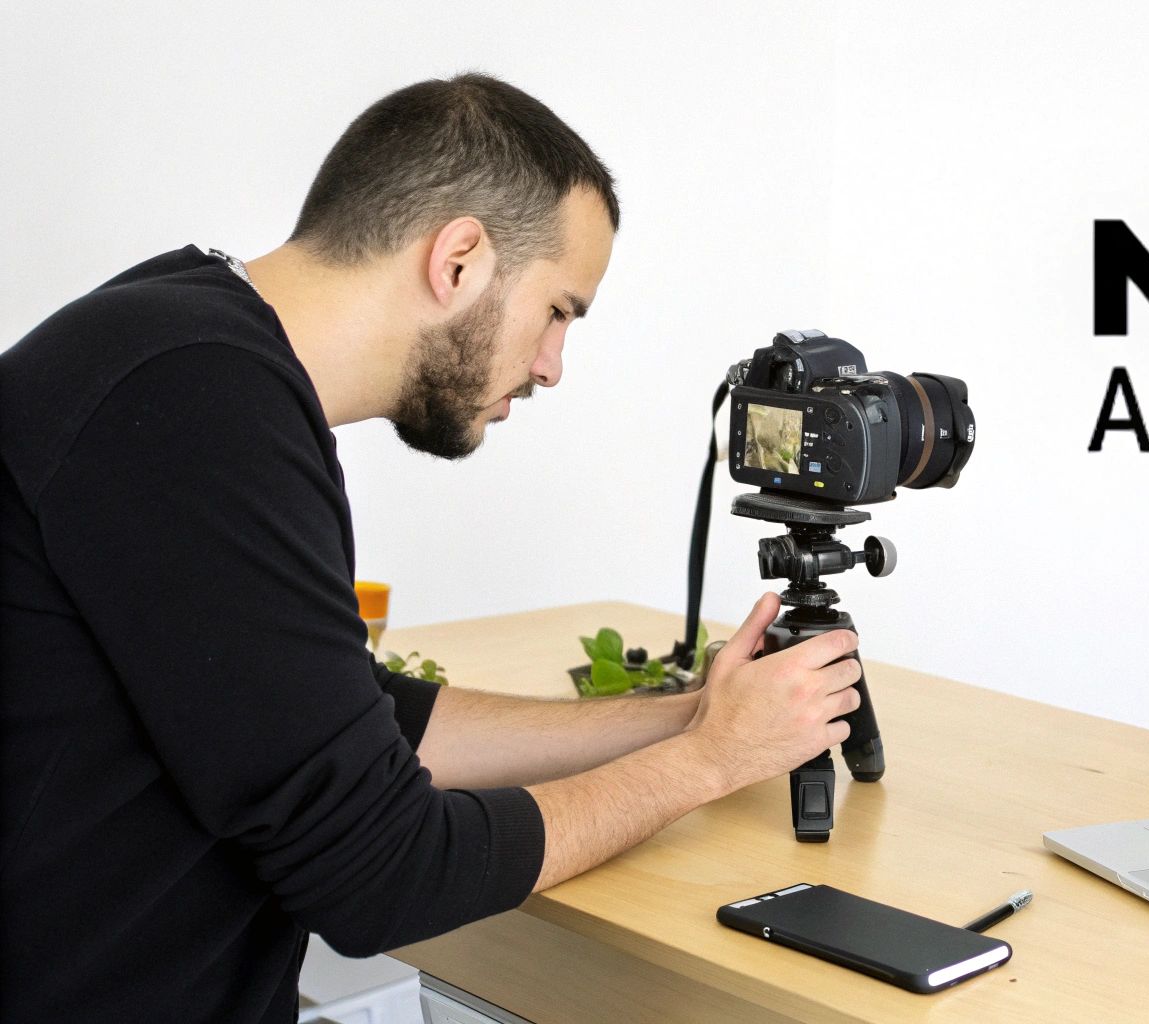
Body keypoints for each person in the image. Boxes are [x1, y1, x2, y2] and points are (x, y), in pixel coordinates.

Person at [0, 73, 861, 1022]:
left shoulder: (185, 344)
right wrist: (702, 770)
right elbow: (380, 875)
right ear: (459, 259)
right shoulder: (191, 402)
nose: (551, 367)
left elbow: (347, 719)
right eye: (559, 312)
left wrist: (693, 718)